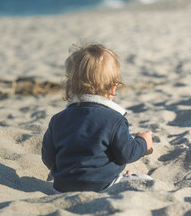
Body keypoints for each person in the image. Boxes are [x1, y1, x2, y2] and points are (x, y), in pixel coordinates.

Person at [42, 43, 153, 193]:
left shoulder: (58, 119)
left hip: (61, 188)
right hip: (103, 186)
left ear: (70, 86)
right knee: (147, 181)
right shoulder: (114, 120)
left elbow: (48, 157)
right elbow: (127, 154)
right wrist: (142, 142)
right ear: (113, 87)